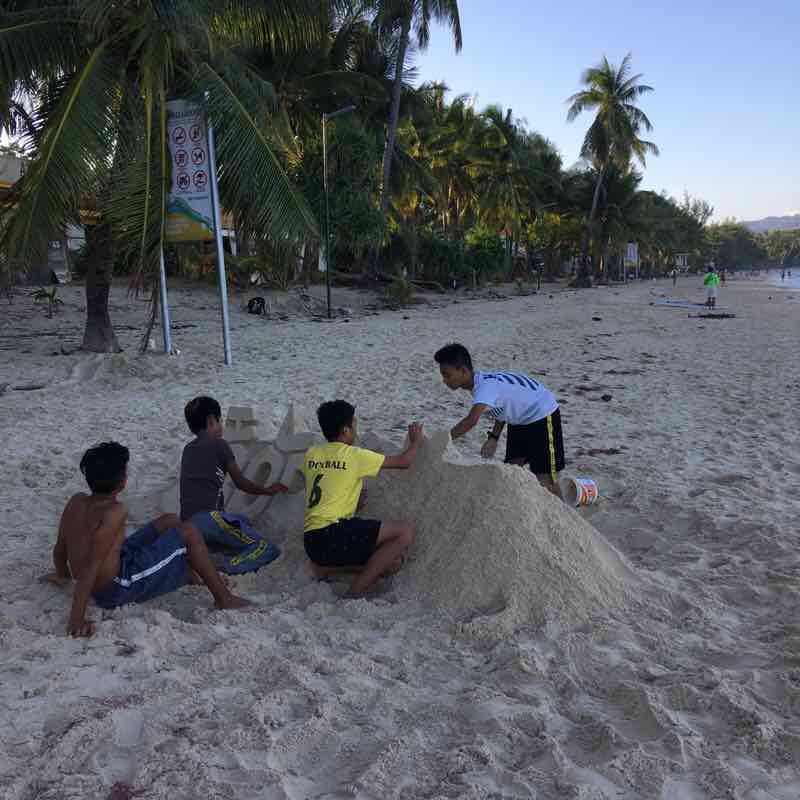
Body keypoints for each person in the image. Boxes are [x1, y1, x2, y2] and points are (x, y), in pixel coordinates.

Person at [41, 442, 252, 637]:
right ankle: (223, 598)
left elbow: (61, 547)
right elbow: (90, 567)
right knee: (188, 532)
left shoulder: (76, 501)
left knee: (170, 521)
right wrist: (76, 620)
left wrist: (63, 574)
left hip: (113, 562)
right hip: (115, 586)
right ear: (122, 481)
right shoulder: (114, 511)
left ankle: (190, 571)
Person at [302, 400, 422, 597]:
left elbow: (327, 487)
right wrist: (416, 441)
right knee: (405, 531)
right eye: (355, 425)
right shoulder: (354, 455)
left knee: (392, 563)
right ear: (346, 430)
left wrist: (352, 503)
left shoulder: (312, 454)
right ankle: (355, 592)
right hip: (334, 535)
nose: (356, 431)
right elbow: (404, 462)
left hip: (312, 541)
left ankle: (326, 570)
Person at [434, 343, 565, 497]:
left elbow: (471, 421)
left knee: (545, 477)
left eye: (447, 375)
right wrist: (494, 438)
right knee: (511, 468)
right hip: (519, 418)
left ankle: (564, 513)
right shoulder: (480, 381)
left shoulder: (485, 387)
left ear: (463, 371)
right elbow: (501, 407)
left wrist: (442, 440)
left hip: (542, 413)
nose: (444, 380)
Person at [180, 396, 287, 574]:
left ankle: (211, 551)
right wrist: (267, 490)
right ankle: (227, 567)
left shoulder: (188, 449)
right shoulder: (220, 445)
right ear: (211, 420)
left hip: (187, 523)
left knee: (242, 521)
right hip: (209, 519)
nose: (221, 426)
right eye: (220, 420)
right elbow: (241, 482)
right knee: (267, 548)